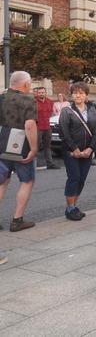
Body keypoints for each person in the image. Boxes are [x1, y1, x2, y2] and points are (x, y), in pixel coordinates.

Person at [0, 71, 39, 232]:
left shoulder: (1, 97)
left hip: (1, 144)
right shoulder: (28, 100)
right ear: (26, 84)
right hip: (20, 146)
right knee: (27, 181)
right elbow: (30, 125)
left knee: (2, 182)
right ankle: (17, 220)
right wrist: (34, 148)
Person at [59, 82, 96, 220]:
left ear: (86, 95)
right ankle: (70, 208)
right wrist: (75, 149)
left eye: (82, 93)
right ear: (71, 95)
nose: (78, 95)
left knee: (81, 179)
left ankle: (73, 207)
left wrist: (90, 148)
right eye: (76, 92)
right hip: (71, 151)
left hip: (87, 151)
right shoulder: (67, 111)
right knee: (74, 178)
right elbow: (64, 133)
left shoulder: (93, 108)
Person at [34, 86, 59, 169]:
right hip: (37, 127)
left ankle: (50, 163)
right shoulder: (33, 102)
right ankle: (33, 164)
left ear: (45, 93)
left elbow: (52, 113)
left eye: (42, 92)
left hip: (47, 127)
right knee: (35, 147)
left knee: (47, 146)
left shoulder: (50, 102)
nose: (41, 94)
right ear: (37, 93)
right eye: (39, 92)